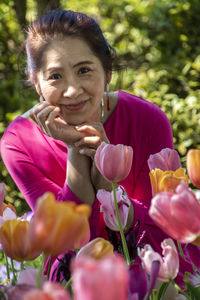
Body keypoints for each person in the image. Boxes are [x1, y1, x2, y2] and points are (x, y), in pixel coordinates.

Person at [0, 9, 193, 290]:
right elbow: (68, 240)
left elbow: (162, 230)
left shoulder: (148, 121)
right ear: (37, 83)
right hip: (75, 274)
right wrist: (76, 149)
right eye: (55, 76)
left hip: (151, 264)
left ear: (107, 71)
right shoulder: (18, 141)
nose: (72, 90)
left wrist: (108, 180)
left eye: (84, 70)